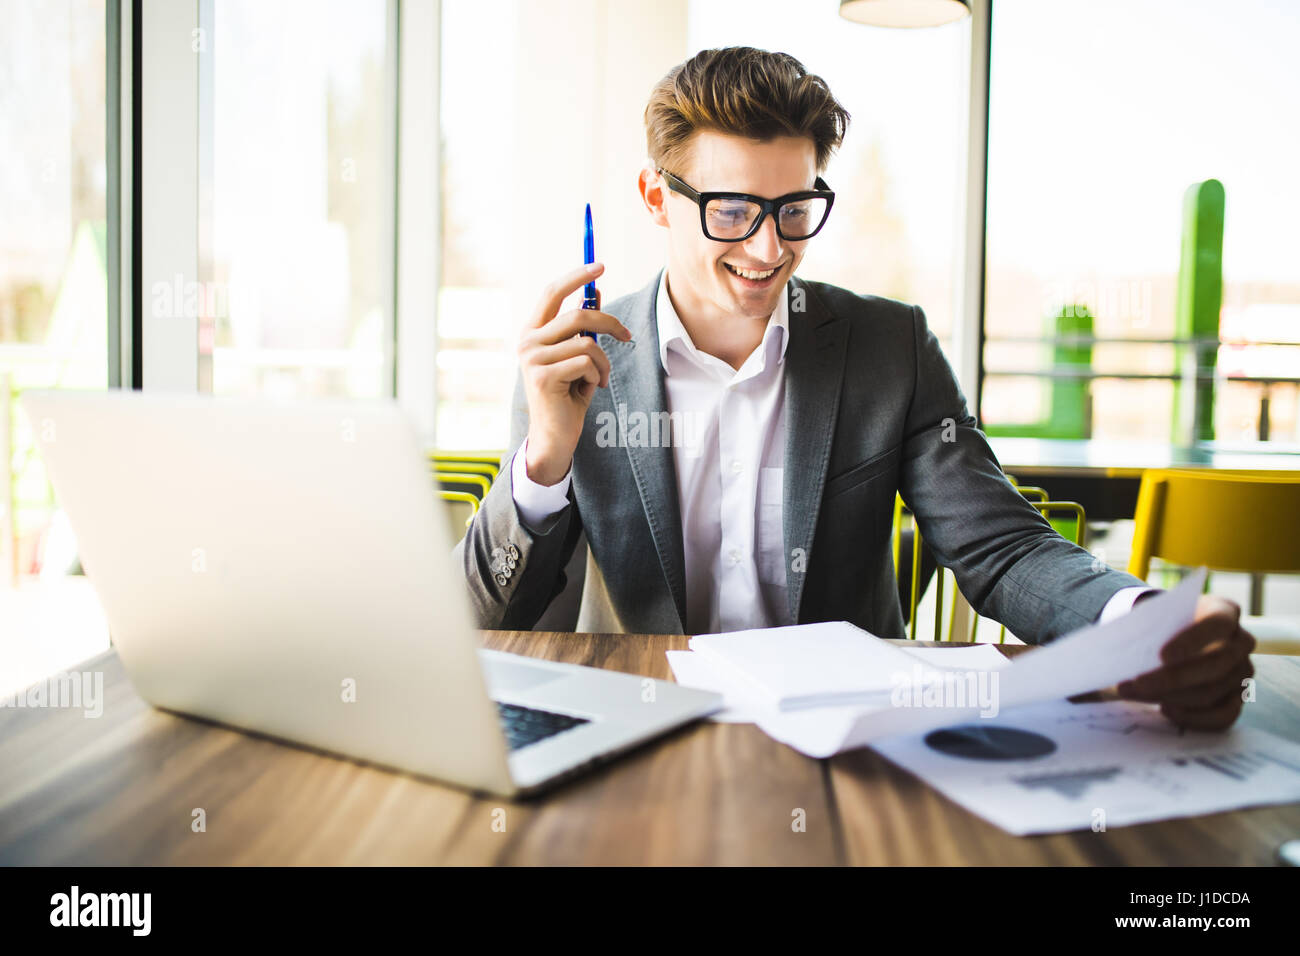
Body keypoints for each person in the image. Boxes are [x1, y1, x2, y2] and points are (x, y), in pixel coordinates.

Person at [455, 46, 1254, 731]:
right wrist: (545, 460)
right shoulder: (576, 366)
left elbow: (1000, 547)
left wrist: (1140, 622)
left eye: (795, 208)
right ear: (657, 198)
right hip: (644, 724)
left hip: (848, 738)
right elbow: (486, 626)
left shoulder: (888, 347)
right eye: (732, 210)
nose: (769, 248)